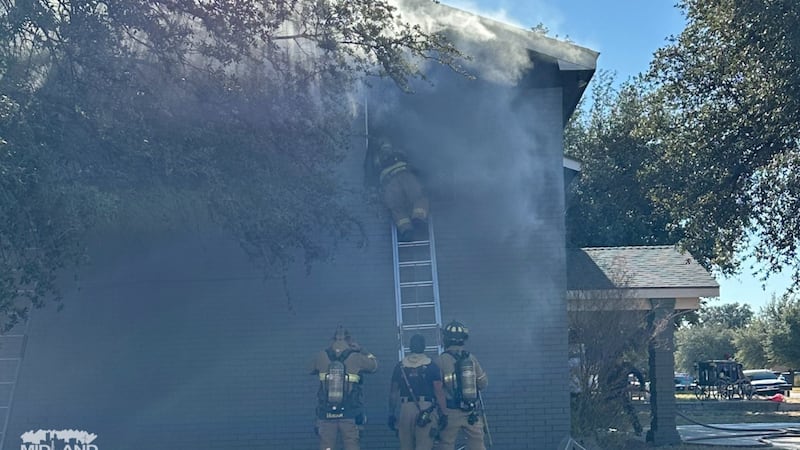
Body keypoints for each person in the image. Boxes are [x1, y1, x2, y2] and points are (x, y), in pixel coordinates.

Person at [310, 326, 378, 450]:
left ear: (333, 338)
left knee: (326, 447)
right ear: (349, 339)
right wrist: (362, 350)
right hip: (350, 413)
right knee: (352, 446)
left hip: (326, 413)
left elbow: (310, 369)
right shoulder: (356, 357)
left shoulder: (321, 355)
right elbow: (374, 366)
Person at [434, 321, 489, 450]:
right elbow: (483, 383)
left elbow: (437, 389)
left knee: (446, 445)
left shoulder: (440, 360)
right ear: (463, 339)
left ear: (446, 339)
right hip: (471, 413)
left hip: (450, 413)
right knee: (478, 446)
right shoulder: (471, 358)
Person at [388, 334, 448, 450]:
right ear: (424, 347)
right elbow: (438, 391)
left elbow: (393, 393)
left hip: (405, 409)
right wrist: (444, 413)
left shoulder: (400, 366)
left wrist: (391, 414)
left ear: (410, 347)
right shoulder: (431, 366)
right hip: (426, 409)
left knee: (406, 446)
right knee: (424, 446)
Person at [364, 137, 430, 241]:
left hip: (388, 184)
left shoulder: (374, 157)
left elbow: (369, 173)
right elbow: (416, 160)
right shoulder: (400, 149)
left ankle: (406, 230)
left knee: (397, 209)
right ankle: (418, 217)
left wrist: (372, 191)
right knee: (419, 197)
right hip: (406, 176)